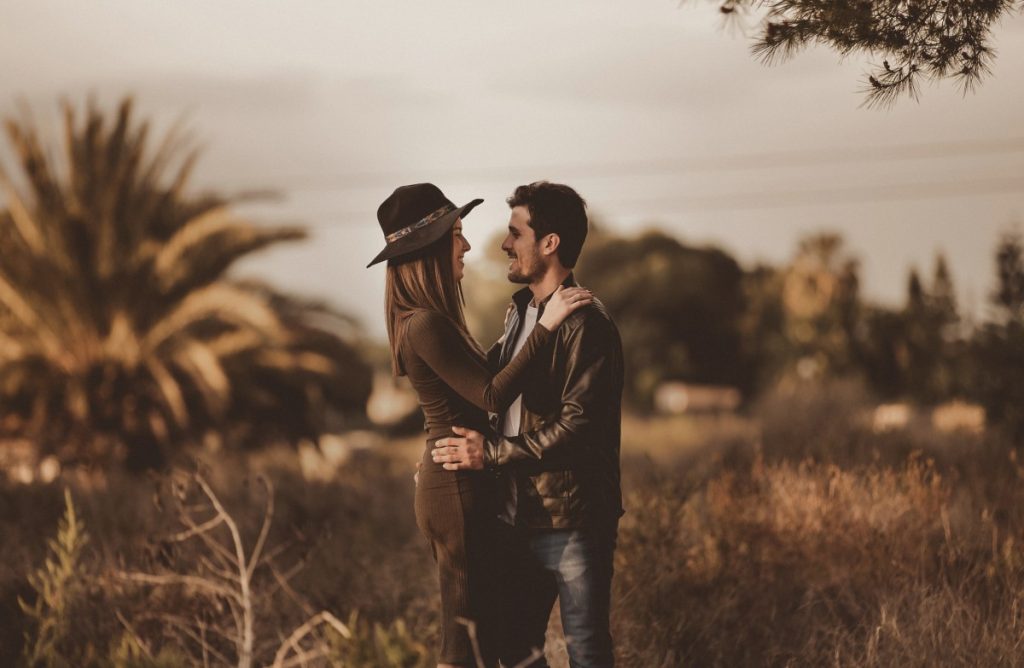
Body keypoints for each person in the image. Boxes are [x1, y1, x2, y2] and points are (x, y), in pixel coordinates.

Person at [367, 183, 593, 668]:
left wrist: (527, 323)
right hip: (457, 491)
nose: (467, 246)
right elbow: (492, 394)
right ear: (429, 250)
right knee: (464, 639)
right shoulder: (424, 322)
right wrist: (546, 326)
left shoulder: (435, 319)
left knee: (496, 634)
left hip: (461, 483)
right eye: (457, 235)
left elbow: (481, 378)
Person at [432, 181, 624, 668]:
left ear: (550, 243)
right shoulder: (519, 313)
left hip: (573, 521)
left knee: (587, 650)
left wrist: (490, 455)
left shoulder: (586, 323)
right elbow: (490, 393)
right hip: (518, 516)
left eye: (515, 232)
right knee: (514, 651)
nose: (503, 244)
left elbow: (578, 427)